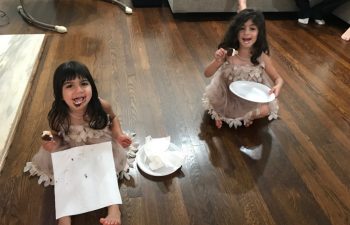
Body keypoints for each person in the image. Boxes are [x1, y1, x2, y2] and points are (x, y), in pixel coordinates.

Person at [24, 60, 135, 225]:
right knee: (66, 172)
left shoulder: (101, 105)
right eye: (69, 86)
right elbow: (51, 133)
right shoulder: (58, 115)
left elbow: (113, 118)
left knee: (105, 167)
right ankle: (65, 214)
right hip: (71, 147)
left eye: (84, 83)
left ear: (92, 86)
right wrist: (48, 139)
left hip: (99, 144)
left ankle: (113, 206)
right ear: (59, 94)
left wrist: (118, 135)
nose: (78, 90)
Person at [202, 9, 283, 129]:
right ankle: (223, 115)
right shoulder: (228, 53)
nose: (246, 33)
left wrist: (277, 86)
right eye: (242, 28)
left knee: (268, 108)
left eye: (252, 28)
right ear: (236, 31)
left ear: (259, 32)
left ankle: (243, 116)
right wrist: (217, 61)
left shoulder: (262, 57)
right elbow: (207, 73)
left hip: (250, 97)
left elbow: (278, 78)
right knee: (218, 104)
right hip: (226, 96)